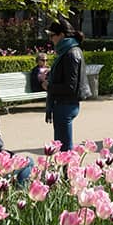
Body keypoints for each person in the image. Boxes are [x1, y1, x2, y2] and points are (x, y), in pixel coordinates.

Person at [43, 19, 86, 152]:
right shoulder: (69, 51)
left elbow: (70, 86)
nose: (51, 39)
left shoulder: (70, 53)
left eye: (52, 35)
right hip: (65, 103)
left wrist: (49, 86)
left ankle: (67, 172)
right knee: (62, 146)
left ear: (61, 35)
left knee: (64, 149)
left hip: (65, 104)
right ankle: (65, 171)